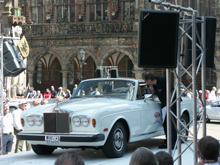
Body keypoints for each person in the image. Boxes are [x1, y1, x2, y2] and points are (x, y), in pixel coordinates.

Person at [143, 72, 177, 149]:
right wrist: (152, 90)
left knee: (172, 124)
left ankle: (173, 143)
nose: (146, 83)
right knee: (165, 124)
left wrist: (170, 103)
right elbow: (156, 94)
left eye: (146, 81)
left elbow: (172, 91)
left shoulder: (163, 81)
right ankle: (167, 141)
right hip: (164, 105)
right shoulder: (154, 85)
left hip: (172, 104)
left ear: (150, 79)